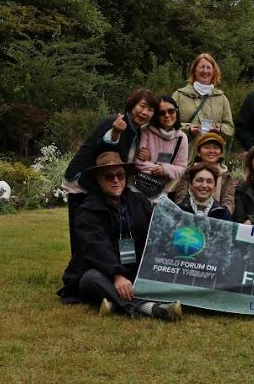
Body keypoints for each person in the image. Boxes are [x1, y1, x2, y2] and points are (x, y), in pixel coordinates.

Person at [57, 152, 181, 321]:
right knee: (90, 279)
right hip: (103, 270)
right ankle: (147, 308)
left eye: (120, 175)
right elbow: (95, 246)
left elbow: (155, 232)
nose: (116, 180)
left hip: (134, 268)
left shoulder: (139, 200)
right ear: (97, 180)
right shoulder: (87, 209)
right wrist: (117, 275)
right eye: (109, 176)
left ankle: (113, 301)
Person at [62, 89, 158, 255]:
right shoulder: (115, 121)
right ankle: (78, 271)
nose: (145, 112)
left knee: (99, 228)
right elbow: (101, 148)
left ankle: (101, 264)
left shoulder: (137, 131)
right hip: (83, 181)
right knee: (82, 228)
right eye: (142, 106)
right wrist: (114, 133)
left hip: (104, 183)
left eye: (150, 110)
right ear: (132, 104)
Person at [133, 94, 188, 201]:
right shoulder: (145, 131)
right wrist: (156, 169)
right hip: (137, 188)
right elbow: (138, 163)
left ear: (176, 111)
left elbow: (181, 168)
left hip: (160, 191)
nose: (167, 115)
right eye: (162, 113)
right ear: (155, 116)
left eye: (171, 111)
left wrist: (165, 169)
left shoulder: (181, 138)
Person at [174, 52, 235, 147]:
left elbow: (230, 129)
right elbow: (166, 123)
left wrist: (220, 129)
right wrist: (187, 129)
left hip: (212, 155)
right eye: (202, 67)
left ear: (214, 71)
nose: (205, 71)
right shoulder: (179, 95)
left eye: (208, 67)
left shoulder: (222, 98)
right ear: (194, 70)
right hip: (184, 155)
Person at [168, 132, 236, 215]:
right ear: (198, 152)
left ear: (221, 153)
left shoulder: (226, 176)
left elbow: (228, 200)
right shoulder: (188, 172)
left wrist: (223, 215)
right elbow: (181, 195)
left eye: (216, 147)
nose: (211, 151)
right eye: (206, 147)